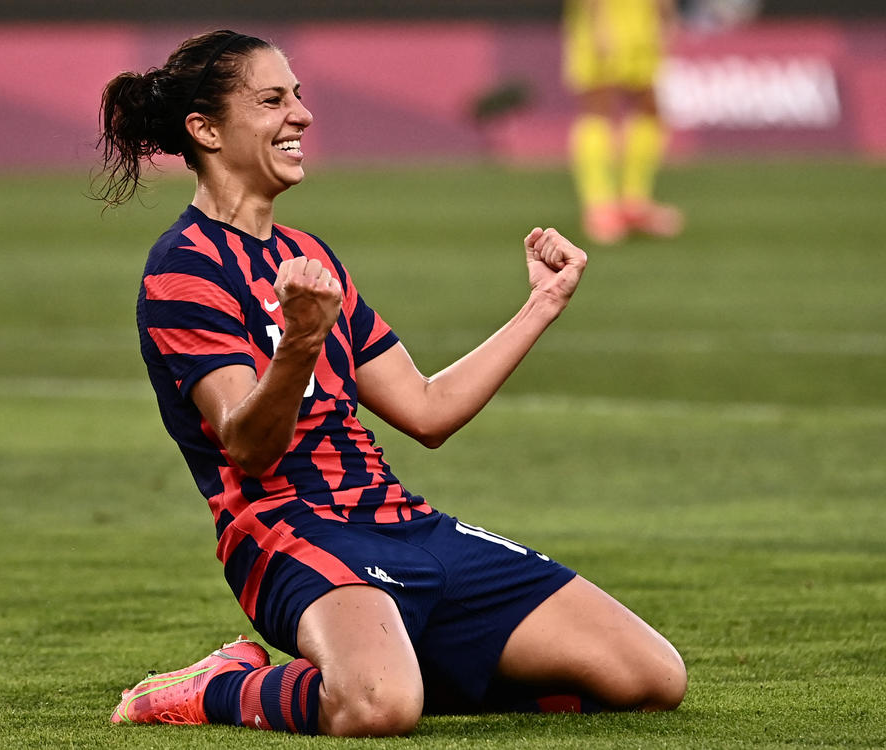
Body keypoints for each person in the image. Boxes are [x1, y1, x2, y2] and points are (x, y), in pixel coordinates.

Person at [95, 29, 686, 737]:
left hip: (399, 521)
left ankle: (389, 659)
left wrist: (542, 305)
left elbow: (427, 410)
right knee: (378, 706)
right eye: (273, 100)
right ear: (206, 129)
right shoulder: (183, 269)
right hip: (290, 530)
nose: (302, 117)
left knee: (652, 678)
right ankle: (223, 685)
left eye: (301, 97)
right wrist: (303, 343)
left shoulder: (308, 254)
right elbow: (246, 447)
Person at [562, 0, 685, 244]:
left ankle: (634, 203)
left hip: (642, 20)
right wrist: (599, 24)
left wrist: (666, 14)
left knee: (649, 107)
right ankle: (600, 207)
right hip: (603, 18)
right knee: (598, 106)